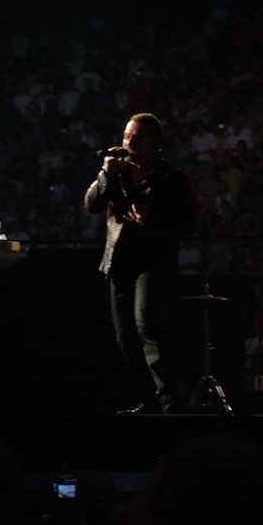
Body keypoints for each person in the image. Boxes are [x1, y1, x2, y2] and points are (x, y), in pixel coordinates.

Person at [84, 112, 197, 414]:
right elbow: (91, 204)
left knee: (147, 325)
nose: (128, 144)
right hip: (118, 261)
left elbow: (188, 223)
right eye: (126, 137)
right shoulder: (116, 171)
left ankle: (168, 400)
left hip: (152, 261)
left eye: (136, 139)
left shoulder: (170, 178)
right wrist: (106, 173)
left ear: (155, 144)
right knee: (125, 336)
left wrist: (153, 220)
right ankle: (146, 401)